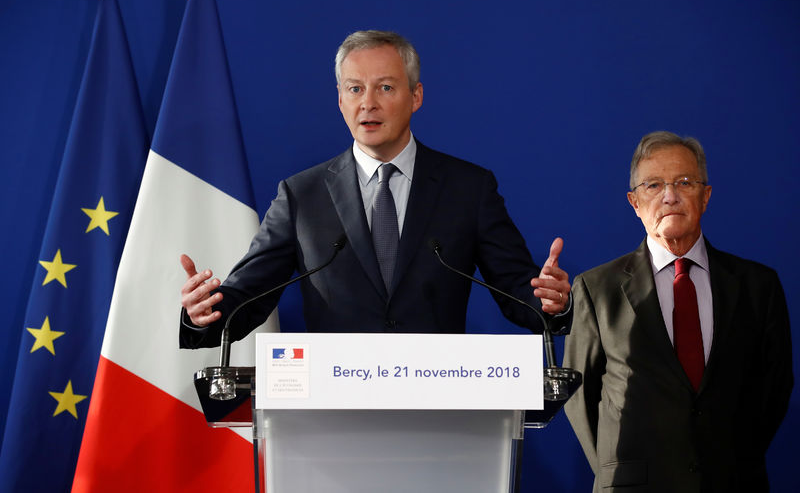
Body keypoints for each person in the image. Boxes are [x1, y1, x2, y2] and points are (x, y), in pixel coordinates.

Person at [178, 30, 572, 348]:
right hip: (334, 413)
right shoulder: (302, 196)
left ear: (415, 96)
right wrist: (205, 311)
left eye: (385, 88)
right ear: (339, 99)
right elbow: (248, 298)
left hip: (441, 409)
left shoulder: (468, 188)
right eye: (354, 89)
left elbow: (519, 293)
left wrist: (550, 301)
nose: (368, 103)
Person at [564, 131, 793, 492]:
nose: (669, 196)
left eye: (684, 182)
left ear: (706, 196)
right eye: (653, 185)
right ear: (635, 202)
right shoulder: (597, 289)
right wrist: (619, 469)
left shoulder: (757, 286)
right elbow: (580, 399)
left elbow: (774, 390)